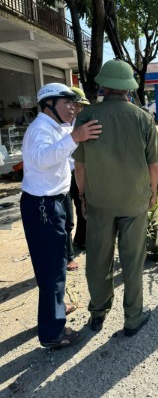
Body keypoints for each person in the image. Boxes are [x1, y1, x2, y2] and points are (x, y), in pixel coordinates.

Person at [72, 59, 158, 336]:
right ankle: (133, 317)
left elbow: (81, 166)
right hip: (135, 201)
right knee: (133, 260)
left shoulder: (87, 117)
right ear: (127, 89)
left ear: (103, 86)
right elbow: (154, 165)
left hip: (100, 202)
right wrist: (152, 192)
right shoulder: (142, 117)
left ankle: (98, 312)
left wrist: (84, 196)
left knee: (98, 258)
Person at [20, 83, 102, 348]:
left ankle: (54, 309)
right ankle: (53, 333)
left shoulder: (59, 127)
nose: (72, 108)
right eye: (66, 102)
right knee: (52, 268)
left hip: (54, 200)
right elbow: (43, 159)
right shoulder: (40, 129)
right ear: (48, 105)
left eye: (73, 103)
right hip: (42, 205)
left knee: (54, 263)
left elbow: (65, 159)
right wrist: (74, 138)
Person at [68, 86, 90, 252]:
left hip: (77, 172)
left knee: (81, 206)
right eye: (77, 105)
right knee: (65, 214)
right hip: (62, 173)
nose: (79, 109)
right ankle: (66, 248)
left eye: (81, 106)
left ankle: (81, 240)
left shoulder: (81, 124)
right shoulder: (58, 125)